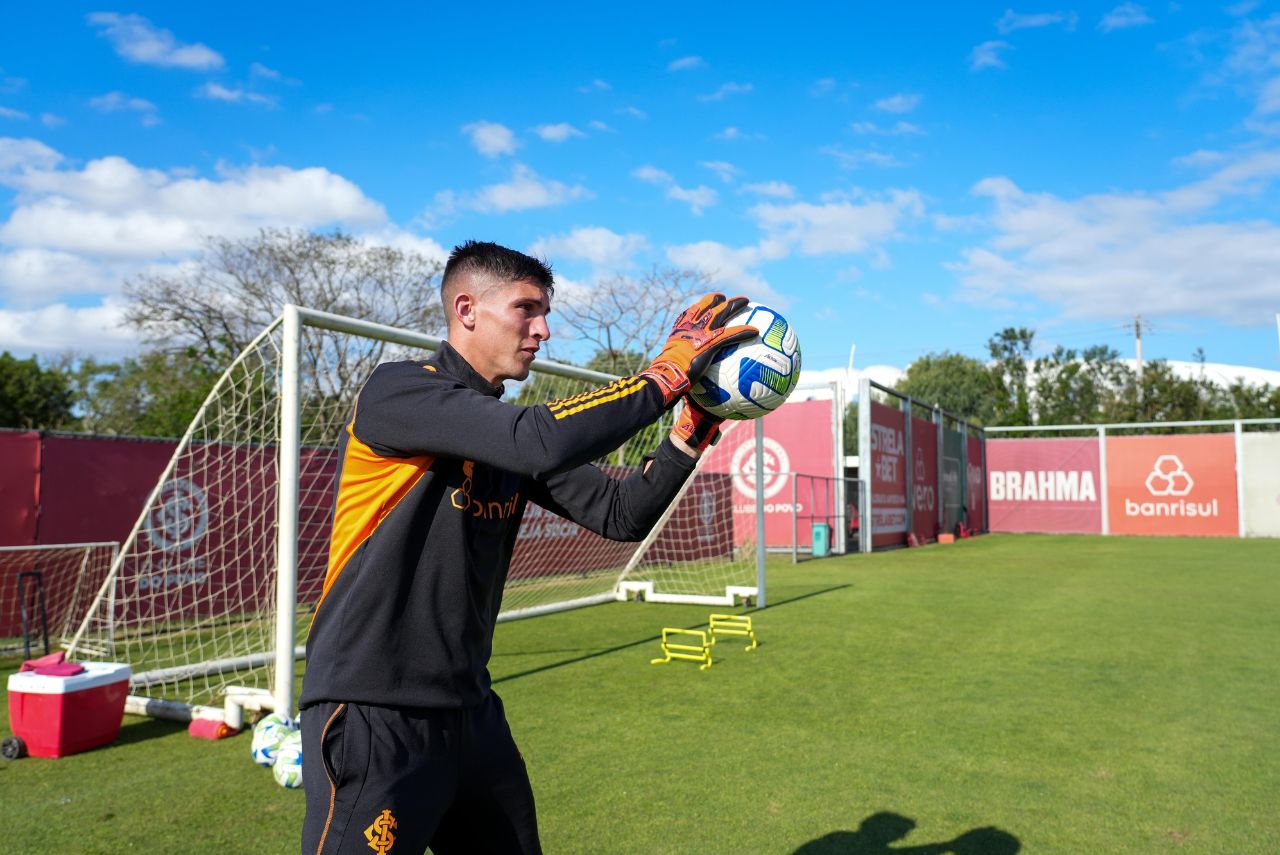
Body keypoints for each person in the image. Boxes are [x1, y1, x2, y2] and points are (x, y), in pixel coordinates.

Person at [299, 240, 754, 854]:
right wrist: (664, 375)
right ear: (467, 310)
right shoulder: (397, 392)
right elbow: (534, 440)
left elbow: (620, 514)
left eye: (545, 313)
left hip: (470, 713)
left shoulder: (504, 435)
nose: (542, 330)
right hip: (375, 710)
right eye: (526, 309)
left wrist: (687, 436)